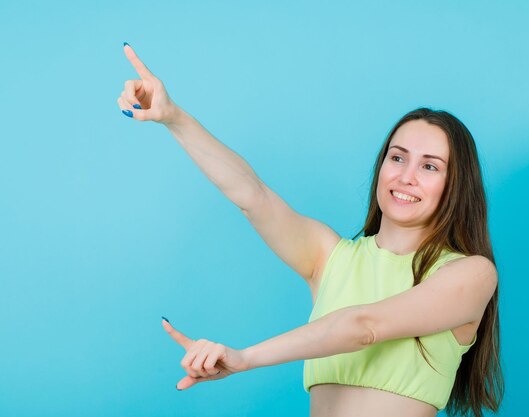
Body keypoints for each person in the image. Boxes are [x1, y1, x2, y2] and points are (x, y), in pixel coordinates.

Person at [117, 42, 504, 417]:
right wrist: (175, 119)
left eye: (430, 166)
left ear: (456, 185)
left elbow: (364, 326)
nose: (406, 177)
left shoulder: (471, 273)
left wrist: (246, 358)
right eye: (397, 157)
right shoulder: (329, 257)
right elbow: (253, 196)